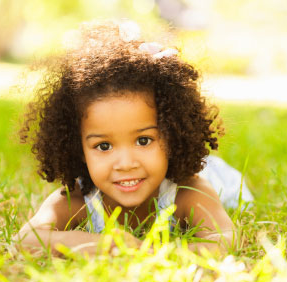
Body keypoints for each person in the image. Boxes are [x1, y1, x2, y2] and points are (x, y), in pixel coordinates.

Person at [14, 20, 253, 256]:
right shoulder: (78, 199)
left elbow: (225, 240)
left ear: (172, 136)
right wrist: (97, 245)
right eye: (103, 146)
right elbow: (25, 239)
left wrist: (149, 252)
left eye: (143, 140)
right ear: (79, 150)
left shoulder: (188, 192)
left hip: (217, 178)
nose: (126, 163)